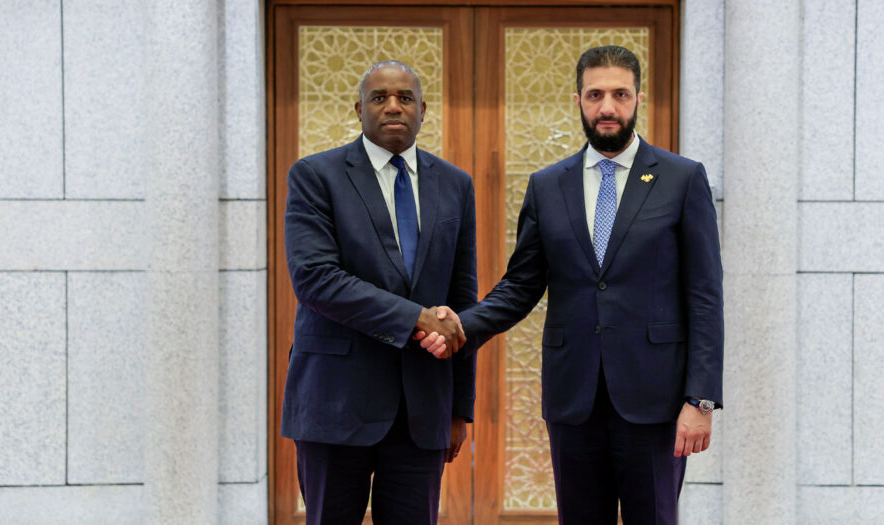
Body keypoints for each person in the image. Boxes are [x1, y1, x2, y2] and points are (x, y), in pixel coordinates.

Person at [420, 45, 723, 524]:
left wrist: (700, 400)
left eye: (620, 94)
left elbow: (704, 296)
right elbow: (520, 287)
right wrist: (461, 326)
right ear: (578, 100)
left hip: (656, 401)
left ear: (639, 99)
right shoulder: (547, 186)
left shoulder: (682, 179)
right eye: (596, 95)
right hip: (573, 399)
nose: (608, 107)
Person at [282, 60, 477, 525]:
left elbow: (462, 302)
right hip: (334, 403)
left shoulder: (455, 184)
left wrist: (458, 409)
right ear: (359, 109)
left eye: (405, 98)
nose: (393, 107)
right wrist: (414, 318)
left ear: (423, 110)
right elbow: (316, 279)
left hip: (421, 411)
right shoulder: (316, 176)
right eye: (379, 98)